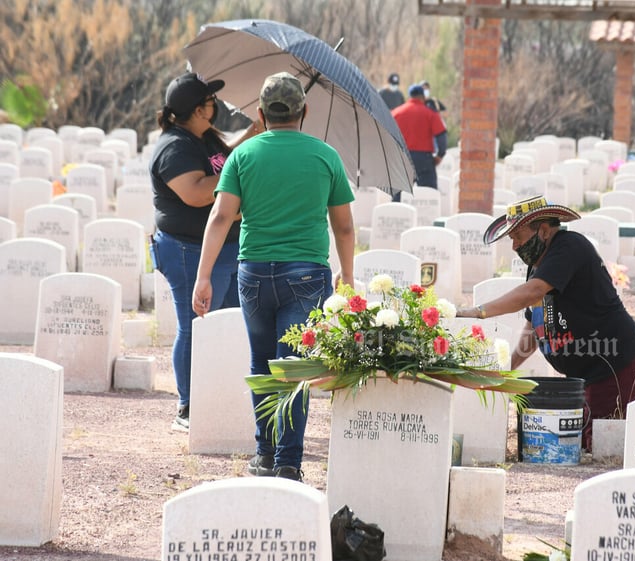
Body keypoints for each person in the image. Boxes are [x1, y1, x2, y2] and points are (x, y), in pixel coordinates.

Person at [192, 72, 355, 482]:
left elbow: (221, 216)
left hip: (253, 273)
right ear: (305, 111)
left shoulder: (242, 157)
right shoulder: (325, 156)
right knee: (294, 367)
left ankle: (263, 454)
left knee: (262, 363)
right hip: (306, 272)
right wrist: (348, 275)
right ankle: (288, 462)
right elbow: (345, 228)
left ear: (261, 114)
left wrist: (204, 277)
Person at [455, 196, 635, 451]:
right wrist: (506, 369)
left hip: (614, 364)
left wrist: (478, 312)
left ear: (543, 231)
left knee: (598, 445)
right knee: (580, 442)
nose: (514, 246)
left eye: (518, 236)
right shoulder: (537, 266)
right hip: (584, 374)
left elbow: (533, 292)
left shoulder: (569, 247)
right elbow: (535, 327)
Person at [149, 72, 260, 432]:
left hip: (221, 247)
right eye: (210, 100)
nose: (216, 104)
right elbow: (197, 193)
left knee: (225, 326)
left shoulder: (204, 138)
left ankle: (217, 397)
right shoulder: (174, 147)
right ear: (199, 109)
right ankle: (188, 405)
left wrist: (256, 131)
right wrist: (238, 172)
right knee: (194, 325)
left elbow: (229, 160)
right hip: (187, 250)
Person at [391, 83, 447, 199]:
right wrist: (440, 155)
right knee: (428, 196)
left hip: (402, 158)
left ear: (410, 96)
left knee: (398, 195)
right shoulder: (430, 113)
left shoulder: (396, 113)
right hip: (424, 159)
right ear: (423, 97)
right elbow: (441, 136)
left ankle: (397, 213)